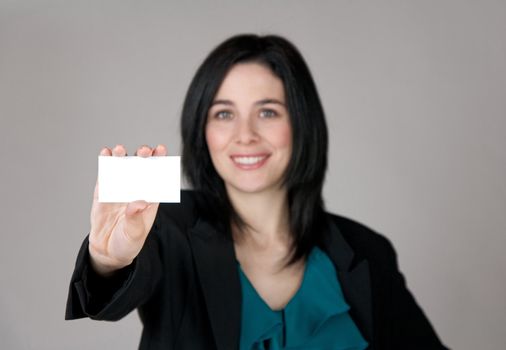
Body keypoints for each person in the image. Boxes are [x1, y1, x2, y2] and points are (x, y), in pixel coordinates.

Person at [65, 34, 449, 350]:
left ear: (301, 124)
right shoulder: (165, 225)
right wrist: (108, 260)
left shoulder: (366, 249)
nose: (245, 135)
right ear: (202, 130)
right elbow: (110, 297)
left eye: (267, 112)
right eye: (224, 114)